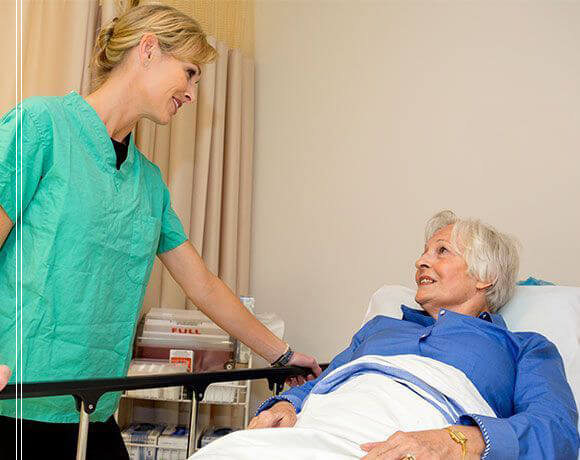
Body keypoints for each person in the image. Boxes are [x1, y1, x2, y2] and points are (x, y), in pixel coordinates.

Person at [0, 3, 320, 458]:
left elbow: (203, 286)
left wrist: (284, 355)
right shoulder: (41, 126)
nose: (191, 92)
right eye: (189, 72)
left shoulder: (148, 183)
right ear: (147, 50)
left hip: (93, 409)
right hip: (15, 403)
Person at [192, 210, 579, 460]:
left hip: (409, 441)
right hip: (315, 429)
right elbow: (322, 383)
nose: (420, 261)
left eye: (442, 251)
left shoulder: (524, 347)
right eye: (424, 251)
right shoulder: (381, 328)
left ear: (484, 276)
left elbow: (557, 430)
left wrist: (460, 440)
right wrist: (285, 405)